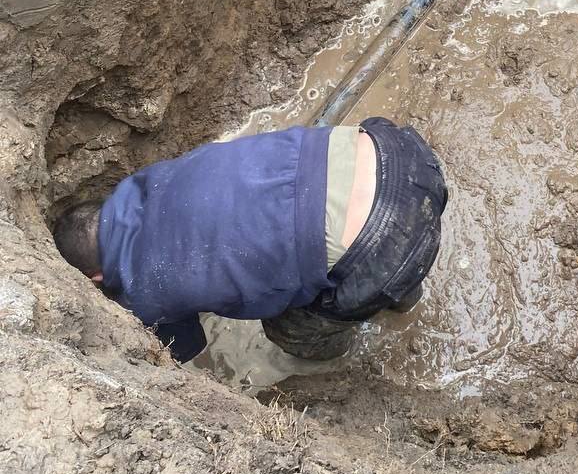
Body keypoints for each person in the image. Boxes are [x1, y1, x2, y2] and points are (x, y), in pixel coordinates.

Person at [52, 117, 446, 363]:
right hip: (394, 150)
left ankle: (339, 352)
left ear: (95, 278)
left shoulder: (142, 295)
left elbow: (181, 353)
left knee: (290, 328)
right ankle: (403, 296)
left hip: (382, 242)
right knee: (383, 253)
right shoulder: (154, 178)